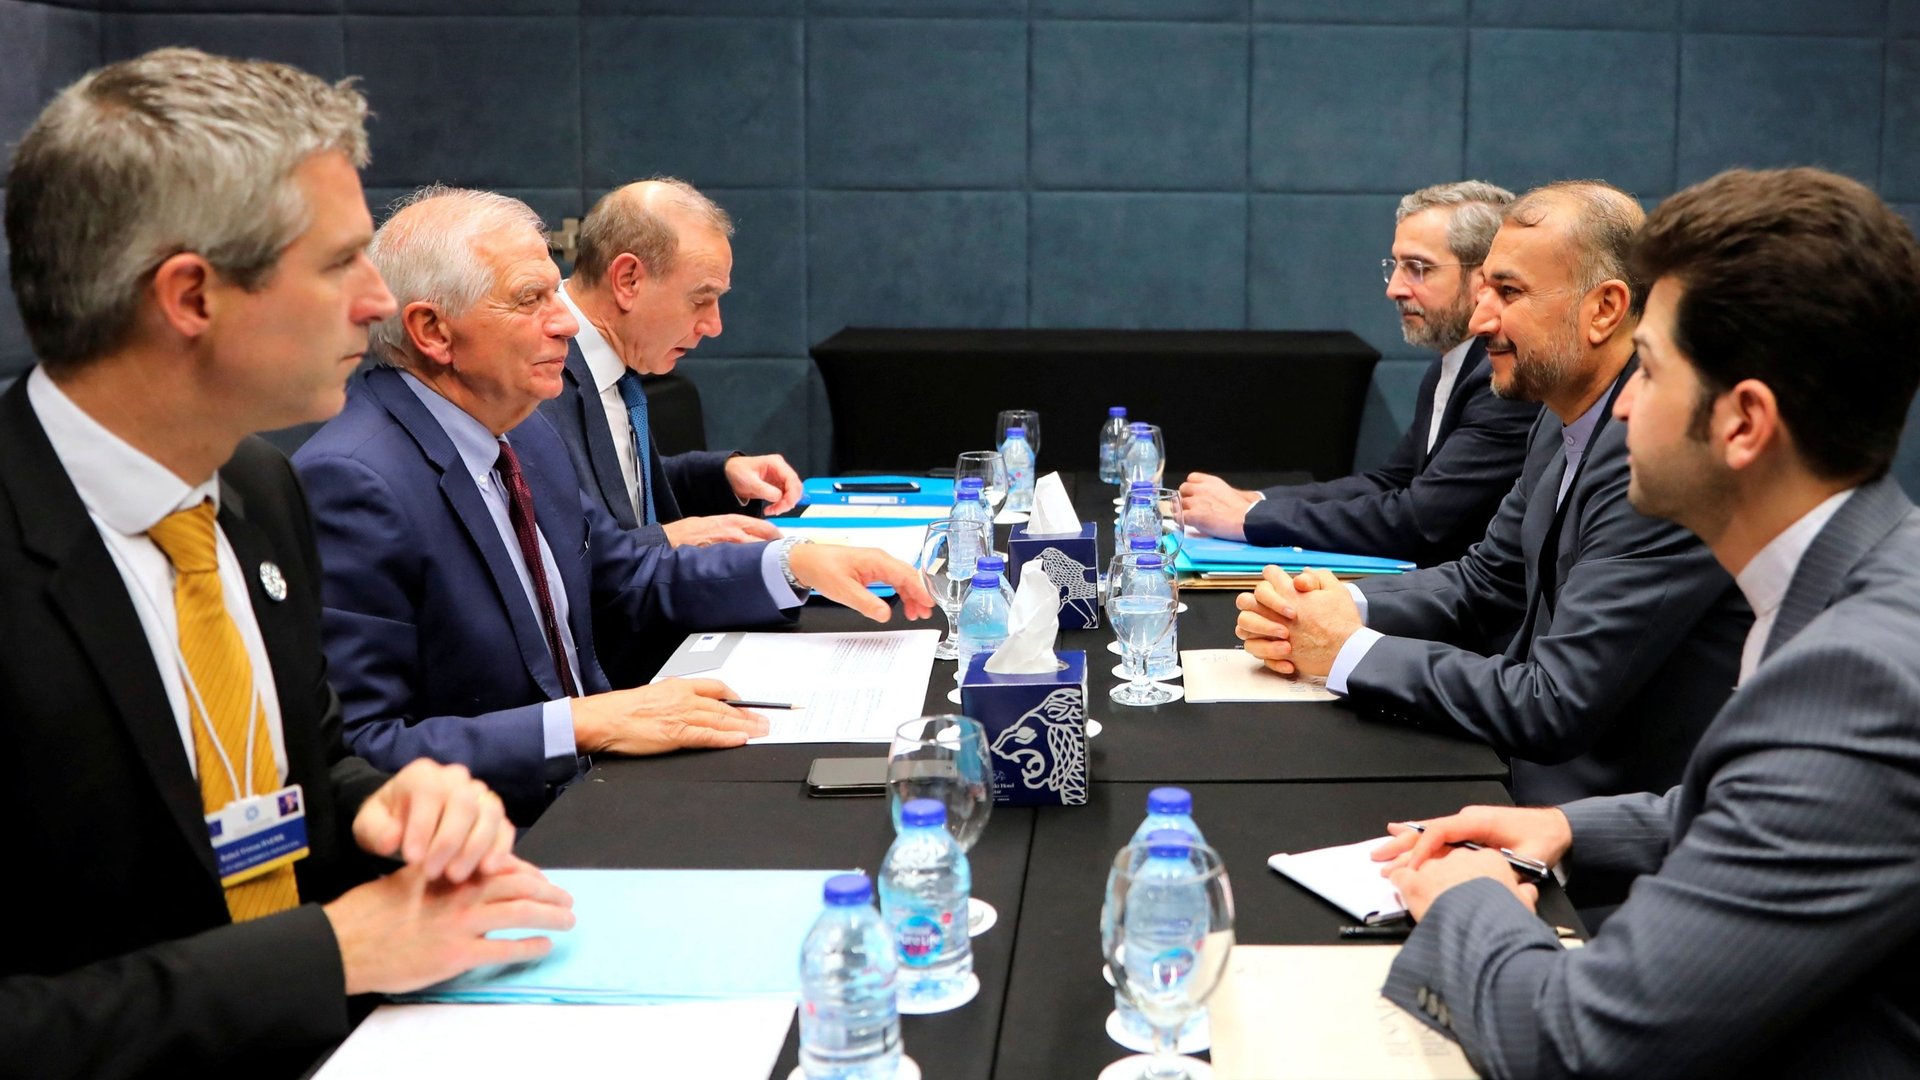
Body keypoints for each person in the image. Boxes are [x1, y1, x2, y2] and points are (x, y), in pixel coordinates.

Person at [0, 48, 572, 1077]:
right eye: (341, 262)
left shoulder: (260, 492)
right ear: (191, 296)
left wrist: (384, 805)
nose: (378, 301)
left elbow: (304, 765)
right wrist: (328, 954)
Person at [1371, 166, 1920, 1080]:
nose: (1624, 402)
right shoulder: (1868, 571)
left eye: (1651, 369)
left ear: (1743, 424)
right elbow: (1772, 805)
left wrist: (1468, 900)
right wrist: (1570, 830)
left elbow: (1576, 1044)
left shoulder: (1854, 681)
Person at [293, 186, 933, 823]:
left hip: (599, 782)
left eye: (555, 293)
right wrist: (582, 723)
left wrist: (793, 564)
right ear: (433, 331)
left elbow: (623, 575)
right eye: (531, 299)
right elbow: (360, 752)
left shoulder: (524, 430)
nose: (568, 321)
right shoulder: (354, 481)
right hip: (498, 830)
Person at [1236, 182, 1750, 807]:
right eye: (1483, 291)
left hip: (1599, 818)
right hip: (1520, 774)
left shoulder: (1656, 456)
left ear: (1605, 309)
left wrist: (1347, 648)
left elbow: (1554, 702)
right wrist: (1337, 604)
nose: (1480, 321)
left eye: (1508, 293)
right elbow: (1485, 584)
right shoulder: (1556, 416)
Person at [1182, 181, 1538, 566]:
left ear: (1484, 280)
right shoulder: (1451, 364)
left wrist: (1251, 520)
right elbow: (1390, 482)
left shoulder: (1502, 383)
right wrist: (1255, 501)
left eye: (1417, 268)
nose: (1395, 289)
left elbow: (1419, 522)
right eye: (1395, 266)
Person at [540, 178, 803, 555]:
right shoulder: (535, 373)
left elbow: (614, 490)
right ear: (628, 280)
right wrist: (667, 539)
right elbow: (559, 556)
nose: (714, 326)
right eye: (700, 299)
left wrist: (721, 476)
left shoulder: (613, 362)